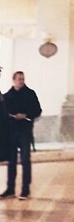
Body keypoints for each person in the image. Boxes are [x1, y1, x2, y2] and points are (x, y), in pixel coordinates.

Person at [1, 71, 42, 200]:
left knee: (25, 160)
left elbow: (37, 110)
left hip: (24, 131)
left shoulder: (30, 94)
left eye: (23, 79)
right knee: (11, 161)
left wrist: (25, 115)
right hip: (11, 131)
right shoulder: (7, 96)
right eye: (19, 79)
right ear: (14, 80)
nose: (21, 81)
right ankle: (10, 189)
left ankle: (25, 190)